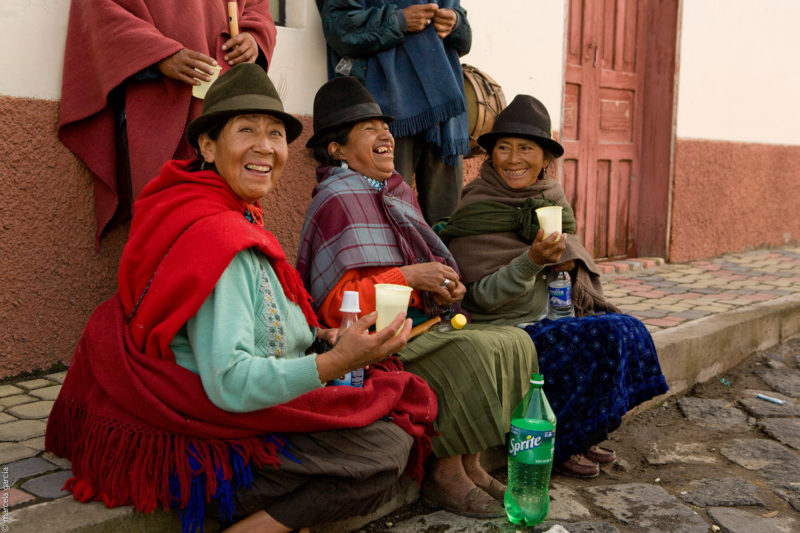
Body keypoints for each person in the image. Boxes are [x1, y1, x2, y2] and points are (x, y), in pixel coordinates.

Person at [45, 64, 439, 533]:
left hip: (213, 409)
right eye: (246, 130)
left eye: (275, 133)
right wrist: (334, 362)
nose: (265, 147)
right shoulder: (218, 238)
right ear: (208, 146)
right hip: (203, 436)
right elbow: (230, 383)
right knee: (383, 450)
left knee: (384, 416)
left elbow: (258, 315)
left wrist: (321, 334)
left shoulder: (222, 209)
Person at [297, 77, 539, 518]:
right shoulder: (335, 200)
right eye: (369, 129)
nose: (386, 136)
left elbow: (426, 263)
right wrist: (409, 276)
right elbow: (335, 307)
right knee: (472, 354)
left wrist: (445, 286)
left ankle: (471, 462)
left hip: (423, 324)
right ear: (337, 149)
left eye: (385, 127)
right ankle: (444, 475)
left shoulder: (397, 192)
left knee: (514, 341)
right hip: (374, 343)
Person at [439, 94, 670, 478]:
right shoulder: (476, 206)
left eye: (526, 149)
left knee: (628, 329)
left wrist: (564, 265)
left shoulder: (551, 199)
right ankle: (559, 445)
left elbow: (573, 261)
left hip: (553, 313)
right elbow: (480, 298)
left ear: (545, 158)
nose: (513, 159)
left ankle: (584, 432)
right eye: (504, 148)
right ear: (491, 155)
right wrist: (531, 261)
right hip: (505, 329)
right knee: (600, 337)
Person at [58, 0, 277, 242]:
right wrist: (158, 55)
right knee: (163, 230)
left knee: (226, 228)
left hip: (223, 109)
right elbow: (99, 8)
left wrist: (253, 40)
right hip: (156, 104)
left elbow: (257, 9)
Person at [314, 0, 472, 225]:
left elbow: (464, 36)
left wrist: (455, 23)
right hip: (386, 110)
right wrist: (398, 21)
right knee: (389, 216)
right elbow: (339, 27)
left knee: (447, 221)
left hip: (443, 111)